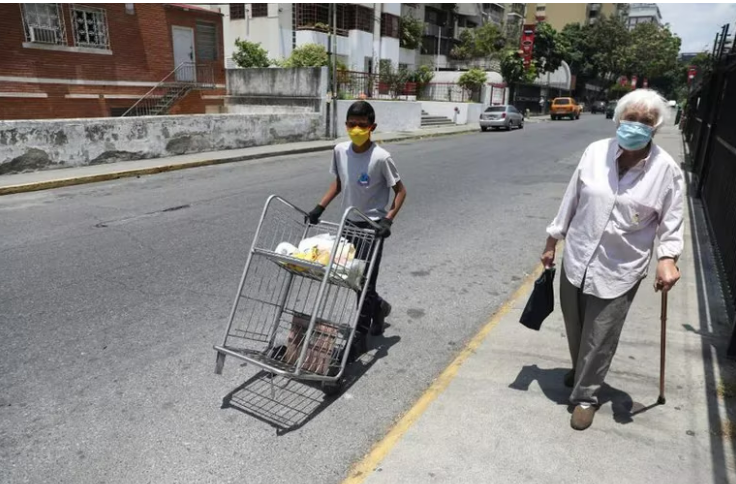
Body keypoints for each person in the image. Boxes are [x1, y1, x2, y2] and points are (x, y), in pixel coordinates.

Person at [541, 89, 684, 431]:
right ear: (619, 119)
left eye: (645, 121)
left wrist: (667, 258)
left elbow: (672, 221)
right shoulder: (595, 153)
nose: (635, 125)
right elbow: (571, 199)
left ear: (656, 126)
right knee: (575, 327)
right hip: (578, 257)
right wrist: (552, 241)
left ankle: (586, 396)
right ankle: (580, 371)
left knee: (600, 336)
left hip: (621, 267)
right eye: (630, 118)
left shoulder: (666, 170)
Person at [306, 101, 407, 354]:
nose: (357, 129)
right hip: (347, 225)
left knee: (365, 283)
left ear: (372, 127)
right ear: (346, 125)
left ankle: (360, 337)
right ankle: (380, 308)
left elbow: (401, 192)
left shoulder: (381, 157)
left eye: (363, 125)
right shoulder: (340, 150)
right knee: (352, 280)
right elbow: (340, 183)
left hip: (372, 228)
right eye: (352, 124)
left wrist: (388, 219)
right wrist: (320, 207)